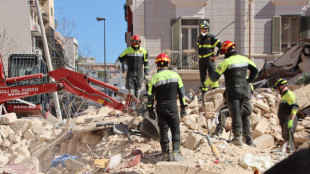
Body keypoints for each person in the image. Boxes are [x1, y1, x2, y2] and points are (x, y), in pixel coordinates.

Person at [203, 40, 258, 146]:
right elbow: (255, 70)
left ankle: (237, 138)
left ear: (226, 51)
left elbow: (214, 77)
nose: (223, 55)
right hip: (245, 90)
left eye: (223, 52)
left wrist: (204, 84)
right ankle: (249, 140)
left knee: (235, 112)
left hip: (233, 90)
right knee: (244, 114)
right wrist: (249, 81)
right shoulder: (244, 59)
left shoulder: (226, 62)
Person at [147, 53, 187, 162]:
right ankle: (176, 154)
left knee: (163, 130)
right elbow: (182, 93)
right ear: (167, 64)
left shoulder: (155, 78)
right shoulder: (175, 75)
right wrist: (183, 107)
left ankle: (165, 155)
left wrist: (150, 109)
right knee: (175, 129)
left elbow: (150, 96)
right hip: (173, 106)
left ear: (158, 65)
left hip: (161, 107)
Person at [117, 35, 149, 101]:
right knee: (131, 93)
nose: (136, 43)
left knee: (137, 92)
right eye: (135, 42)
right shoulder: (127, 50)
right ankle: (132, 107)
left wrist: (146, 73)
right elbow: (120, 58)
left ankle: (135, 108)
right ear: (132, 42)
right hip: (130, 74)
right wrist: (117, 63)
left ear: (139, 42)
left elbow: (146, 63)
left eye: (137, 42)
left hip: (139, 74)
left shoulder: (143, 51)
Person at [272, 78, 298, 153]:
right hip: (284, 121)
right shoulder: (284, 95)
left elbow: (295, 107)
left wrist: (291, 121)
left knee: (289, 140)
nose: (277, 90)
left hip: (288, 121)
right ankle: (288, 155)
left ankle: (291, 155)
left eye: (277, 88)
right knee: (286, 138)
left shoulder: (290, 95)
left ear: (282, 86)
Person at [197, 20, 222, 93]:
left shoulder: (211, 37)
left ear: (207, 29)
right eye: (201, 28)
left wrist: (216, 56)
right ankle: (204, 92)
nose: (202, 30)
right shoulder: (199, 38)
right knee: (202, 76)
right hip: (201, 59)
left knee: (212, 75)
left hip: (209, 59)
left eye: (204, 28)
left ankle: (215, 91)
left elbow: (221, 46)